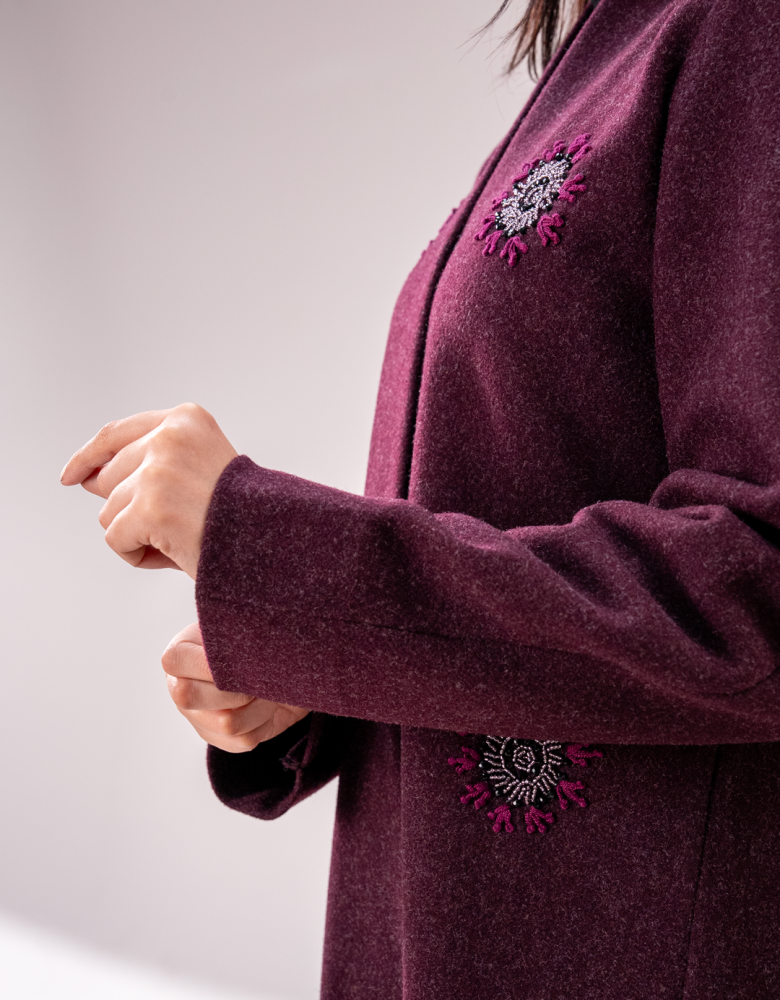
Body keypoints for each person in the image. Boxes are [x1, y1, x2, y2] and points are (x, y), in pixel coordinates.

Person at [62, 0, 780, 996]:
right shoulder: (602, 57)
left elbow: (757, 583)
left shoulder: (742, 33)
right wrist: (315, 655)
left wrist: (283, 553)